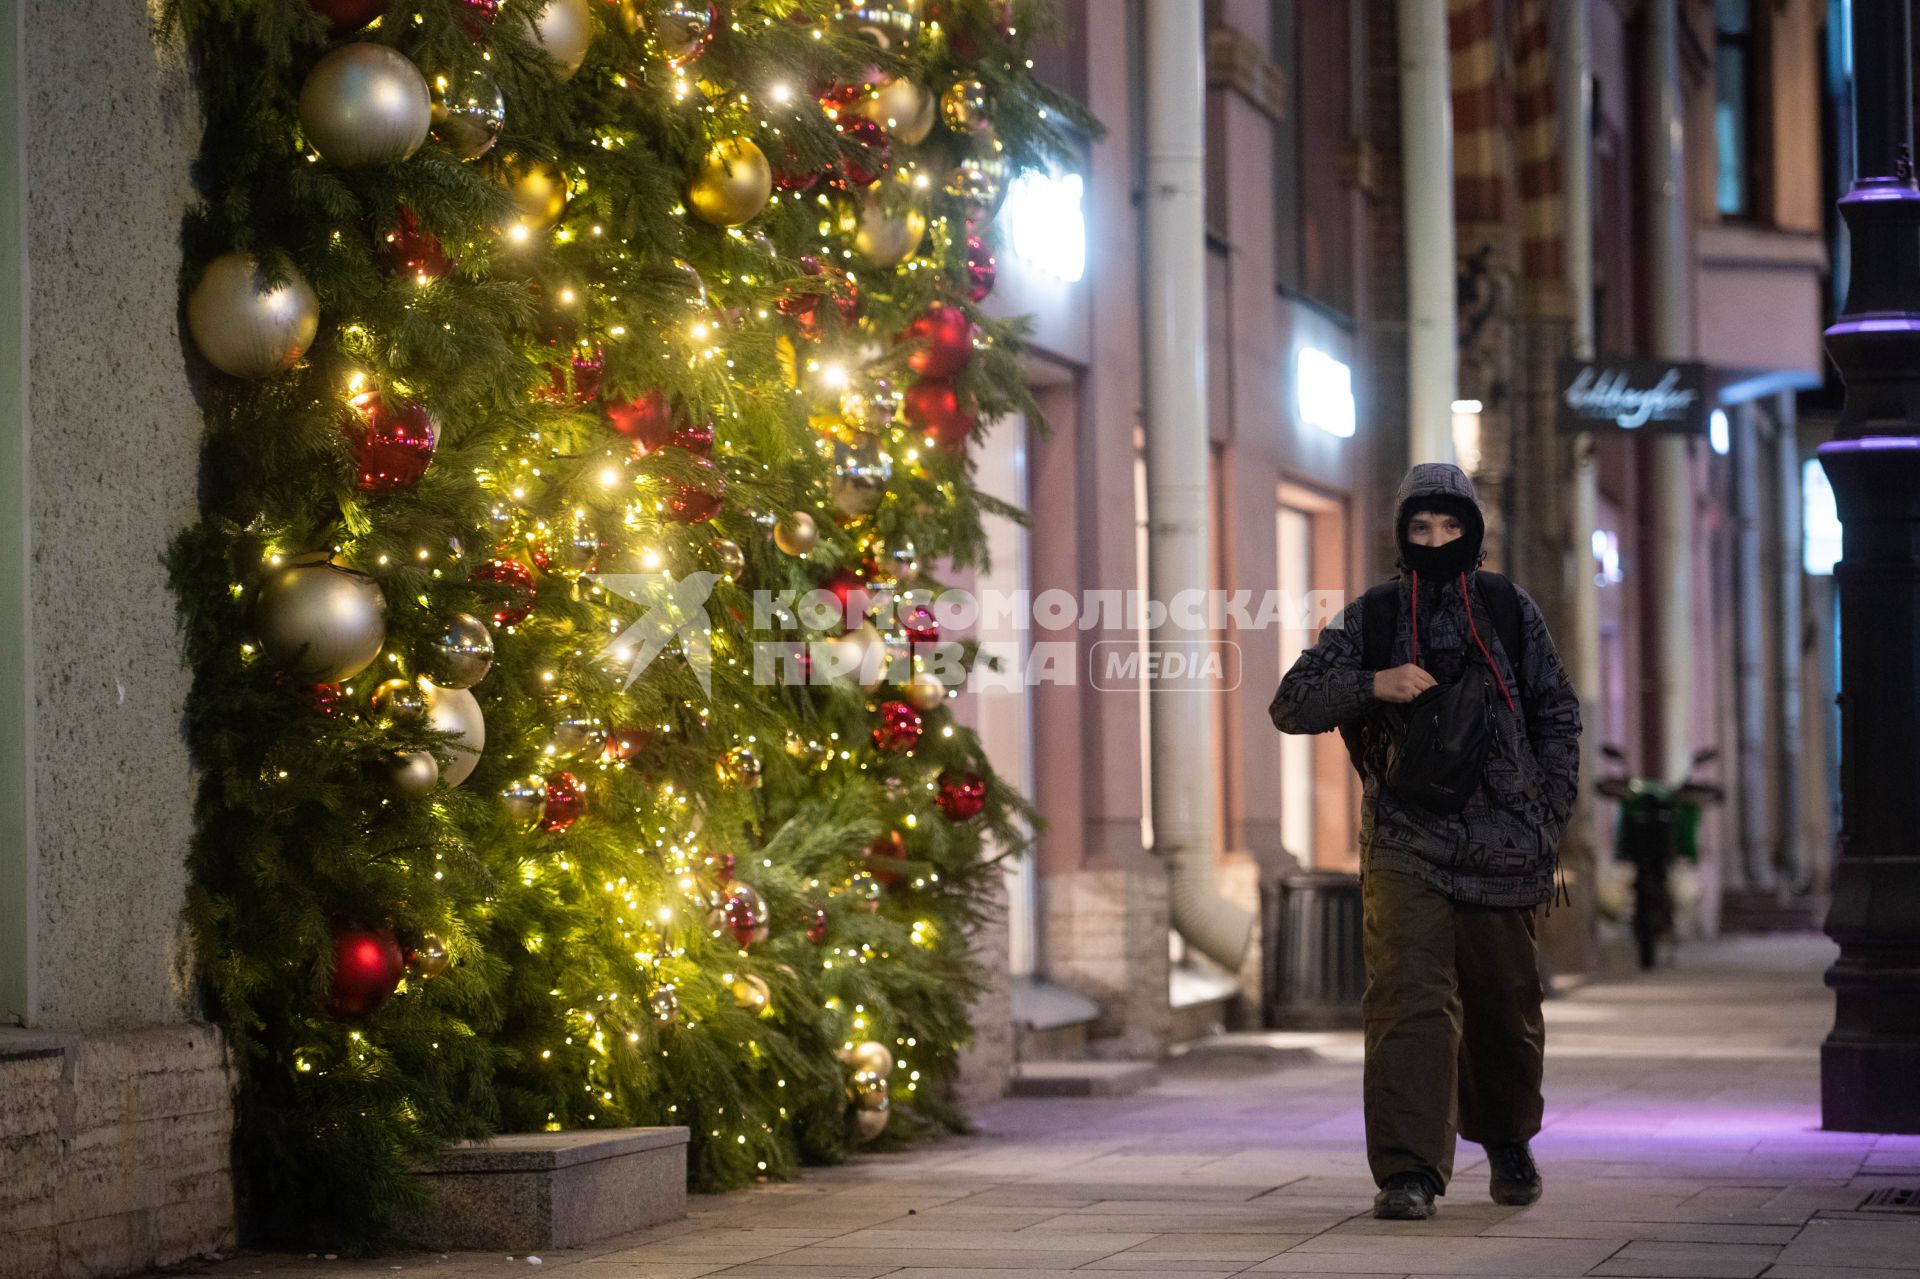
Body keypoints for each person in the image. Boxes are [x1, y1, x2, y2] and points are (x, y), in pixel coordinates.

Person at [1268, 462, 1581, 1221]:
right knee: (1407, 1004)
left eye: (1449, 527)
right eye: (1420, 527)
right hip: (1406, 844)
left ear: (1471, 532)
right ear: (1402, 533)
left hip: (1507, 846)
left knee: (1505, 1006)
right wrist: (1375, 682)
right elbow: (1292, 701)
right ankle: (1409, 1171)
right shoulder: (1372, 617)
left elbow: (1556, 714)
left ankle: (1508, 1140)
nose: (1436, 539)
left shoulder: (1509, 607)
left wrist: (1547, 814)